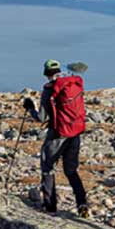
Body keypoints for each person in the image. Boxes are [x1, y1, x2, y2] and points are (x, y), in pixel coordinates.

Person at [23, 59, 89, 217]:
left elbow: (41, 117)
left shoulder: (50, 89)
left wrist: (30, 107)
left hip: (57, 134)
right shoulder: (73, 83)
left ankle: (50, 206)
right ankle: (82, 202)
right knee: (71, 170)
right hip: (74, 133)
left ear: (46, 73)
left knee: (48, 168)